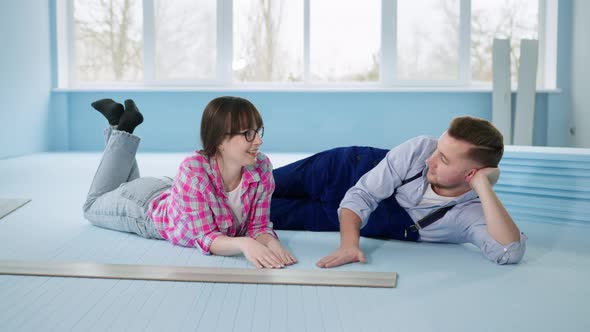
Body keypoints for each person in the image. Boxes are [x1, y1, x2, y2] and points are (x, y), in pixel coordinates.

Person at [270, 116, 526, 267]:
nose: (430, 160)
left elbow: (509, 251)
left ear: (471, 174)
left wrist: (483, 186)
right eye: (438, 148)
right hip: (340, 171)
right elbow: (362, 195)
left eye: (444, 160)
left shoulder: (468, 215)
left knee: (246, 214)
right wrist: (349, 246)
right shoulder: (421, 148)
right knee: (250, 187)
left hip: (336, 217)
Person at [82, 96, 296, 269]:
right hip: (144, 208)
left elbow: (258, 226)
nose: (259, 141)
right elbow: (206, 237)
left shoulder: (261, 166)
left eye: (258, 131)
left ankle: (120, 125)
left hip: (172, 190)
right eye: (248, 134)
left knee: (122, 186)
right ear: (220, 139)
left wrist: (271, 242)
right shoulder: (193, 169)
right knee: (93, 205)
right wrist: (244, 243)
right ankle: (121, 127)